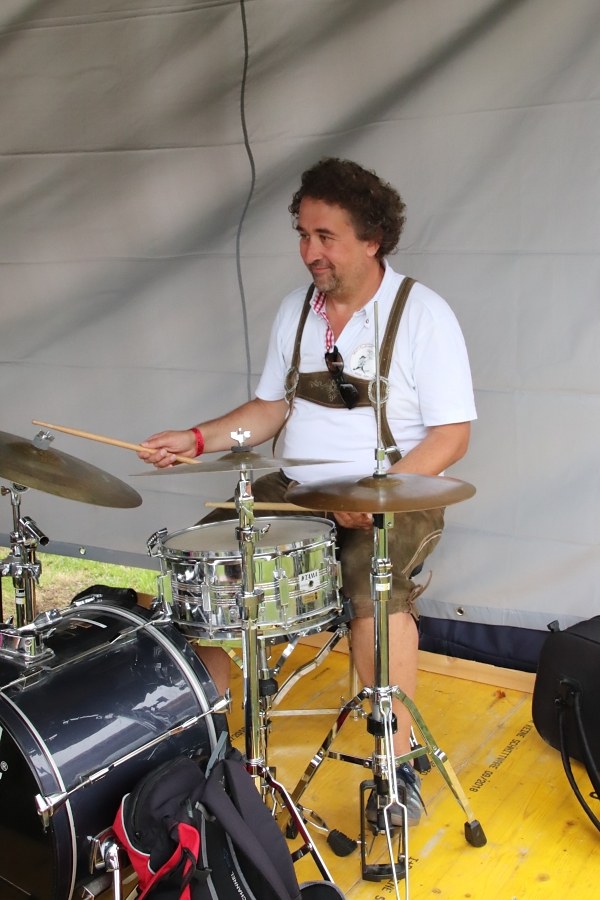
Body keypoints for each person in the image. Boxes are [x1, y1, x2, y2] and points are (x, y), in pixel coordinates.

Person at [138, 157, 476, 828]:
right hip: (295, 487)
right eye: (303, 235)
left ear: (371, 239)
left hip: (396, 490)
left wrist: (380, 493)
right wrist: (198, 439)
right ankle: (200, 750)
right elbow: (270, 409)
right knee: (200, 572)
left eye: (326, 237)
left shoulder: (422, 314)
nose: (309, 251)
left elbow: (452, 436)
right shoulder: (296, 311)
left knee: (374, 592)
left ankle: (396, 767)